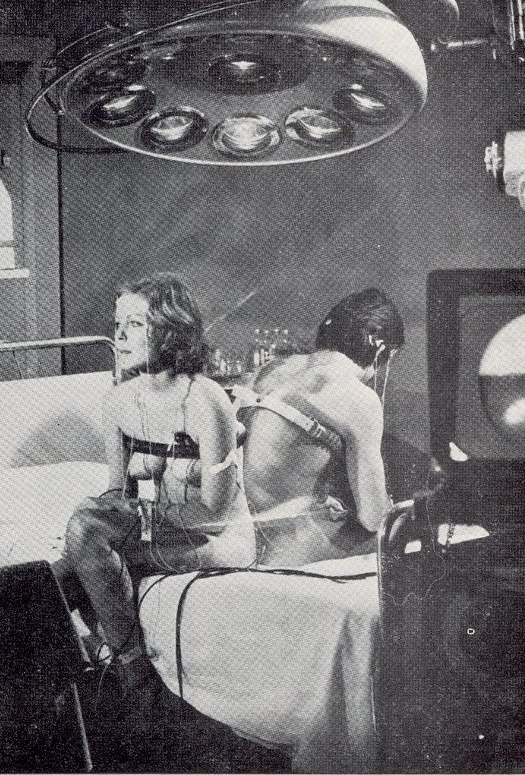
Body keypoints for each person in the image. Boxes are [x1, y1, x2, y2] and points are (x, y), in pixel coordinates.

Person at [55, 273, 256, 730]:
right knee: (47, 580)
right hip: (162, 533)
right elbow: (117, 490)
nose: (120, 337)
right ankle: (67, 715)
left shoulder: (207, 401)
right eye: (117, 324)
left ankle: (134, 672)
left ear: (170, 329)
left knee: (85, 533)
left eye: (135, 325)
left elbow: (214, 512)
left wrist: (128, 518)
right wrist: (110, 513)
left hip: (217, 541)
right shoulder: (118, 402)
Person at [235, 287, 404, 567]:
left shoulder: (271, 369)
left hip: (247, 538)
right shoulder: (357, 396)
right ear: (380, 347)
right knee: (412, 537)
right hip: (293, 548)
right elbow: (374, 518)